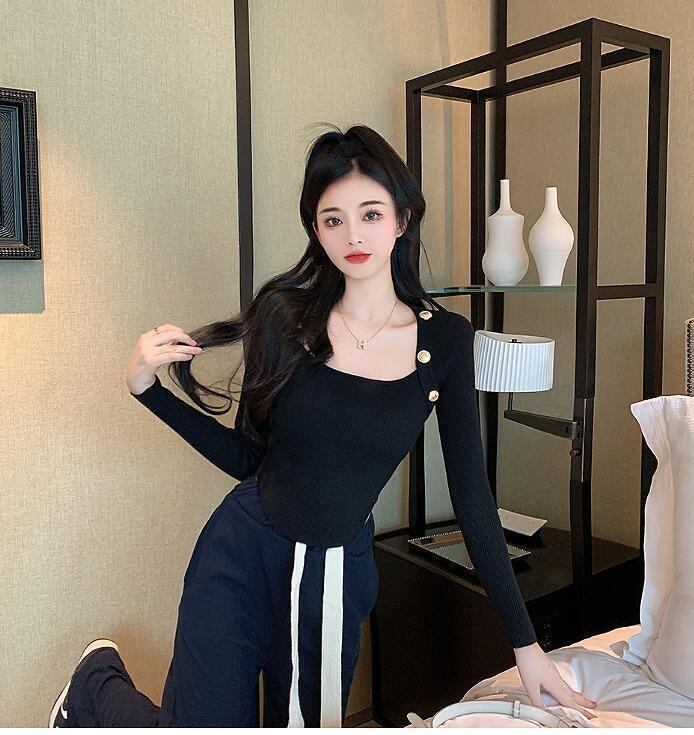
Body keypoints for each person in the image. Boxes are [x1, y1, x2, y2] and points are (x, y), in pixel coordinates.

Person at [49, 124, 598, 728]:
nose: (353, 235)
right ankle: (95, 686)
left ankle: (93, 688)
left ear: (402, 218)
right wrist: (147, 391)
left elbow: (473, 499)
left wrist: (526, 646)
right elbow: (248, 460)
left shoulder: (444, 340)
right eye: (333, 219)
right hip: (240, 556)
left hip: (335, 576)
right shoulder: (285, 320)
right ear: (316, 229)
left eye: (370, 214)